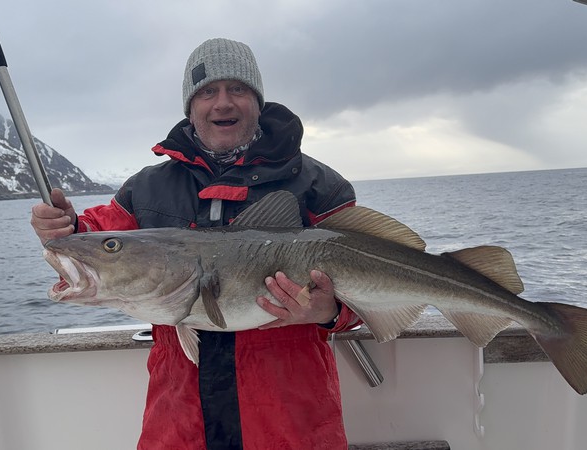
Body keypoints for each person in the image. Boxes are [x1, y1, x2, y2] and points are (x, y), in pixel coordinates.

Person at [31, 37, 361, 450]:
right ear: (190, 107)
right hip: (179, 426)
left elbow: (370, 293)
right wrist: (64, 229)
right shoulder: (147, 188)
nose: (222, 102)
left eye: (237, 89)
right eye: (207, 91)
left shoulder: (316, 185)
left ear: (258, 102)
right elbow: (96, 242)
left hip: (290, 426)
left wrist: (332, 311)